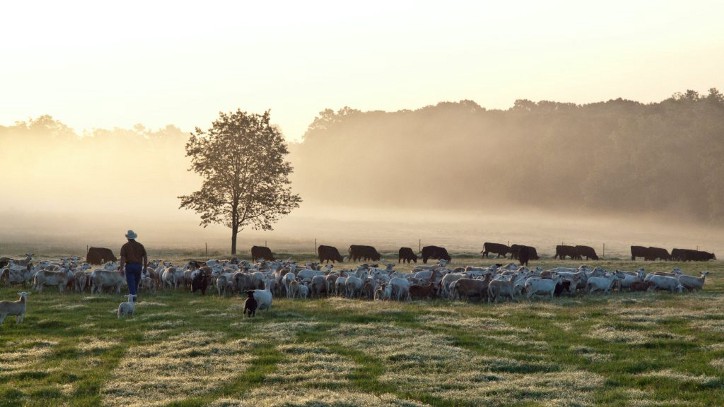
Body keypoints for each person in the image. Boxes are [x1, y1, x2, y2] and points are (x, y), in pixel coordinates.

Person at [119, 229, 147, 302]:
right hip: (138, 266)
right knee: (136, 283)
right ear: (134, 237)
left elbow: (123, 258)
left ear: (128, 238)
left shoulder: (125, 246)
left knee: (131, 284)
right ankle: (134, 297)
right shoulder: (140, 245)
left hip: (130, 266)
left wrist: (121, 269)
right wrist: (145, 267)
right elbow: (145, 256)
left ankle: (132, 301)